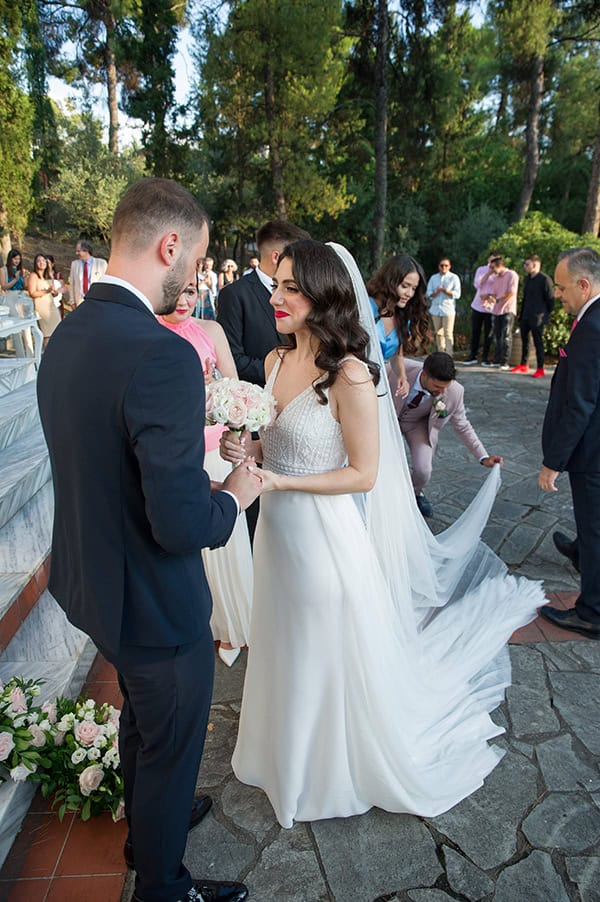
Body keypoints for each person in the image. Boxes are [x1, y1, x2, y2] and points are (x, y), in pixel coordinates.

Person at [221, 238, 543, 830]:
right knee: (283, 635)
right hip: (276, 538)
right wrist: (246, 446)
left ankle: (324, 770)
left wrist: (279, 484)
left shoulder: (348, 373)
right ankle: (279, 754)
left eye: (293, 287)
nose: (277, 296)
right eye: (278, 284)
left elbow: (362, 472)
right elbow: (279, 443)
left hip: (322, 538)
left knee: (320, 643)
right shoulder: (273, 362)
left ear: (324, 297)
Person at [37, 177, 261, 902]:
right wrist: (235, 495)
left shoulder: (69, 331)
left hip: (93, 583)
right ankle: (163, 886)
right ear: (169, 245)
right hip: (154, 602)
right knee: (169, 740)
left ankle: (148, 827)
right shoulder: (158, 353)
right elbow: (179, 522)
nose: (192, 280)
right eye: (192, 263)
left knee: (143, 719)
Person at [157, 283, 253, 667]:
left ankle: (230, 622)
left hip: (214, 449)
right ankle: (191, 622)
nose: (184, 301)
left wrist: (238, 434)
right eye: (177, 292)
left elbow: (237, 391)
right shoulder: (147, 329)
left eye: (192, 292)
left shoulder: (211, 331)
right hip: (174, 451)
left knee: (223, 540)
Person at [538, 246, 600, 640]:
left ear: (583, 284)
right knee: (591, 530)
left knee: (595, 527)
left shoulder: (592, 328)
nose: (558, 295)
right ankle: (580, 551)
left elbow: (580, 403)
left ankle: (592, 612)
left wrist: (553, 461)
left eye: (561, 288)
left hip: (592, 453)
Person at [390, 352, 503, 518]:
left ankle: (414, 493)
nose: (442, 391)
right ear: (425, 374)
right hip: (387, 420)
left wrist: (483, 457)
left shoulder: (455, 392)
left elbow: (462, 425)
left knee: (424, 470)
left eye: (445, 387)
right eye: (437, 386)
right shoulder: (396, 368)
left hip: (418, 426)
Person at [217, 219, 310, 386]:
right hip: (258, 395)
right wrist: (286, 372)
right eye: (296, 257)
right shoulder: (235, 294)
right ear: (276, 257)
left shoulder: (303, 294)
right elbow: (232, 358)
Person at [366, 254, 430, 397]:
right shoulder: (366, 307)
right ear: (389, 281)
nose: (409, 294)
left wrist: (402, 376)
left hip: (376, 383)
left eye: (414, 288)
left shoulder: (402, 316)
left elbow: (397, 354)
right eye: (405, 286)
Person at [511, 255, 554, 378]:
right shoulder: (527, 279)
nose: (525, 267)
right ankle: (523, 364)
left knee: (538, 341)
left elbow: (550, 299)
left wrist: (546, 314)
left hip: (538, 316)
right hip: (526, 314)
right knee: (524, 340)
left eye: (527, 264)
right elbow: (524, 297)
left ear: (535, 265)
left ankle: (540, 368)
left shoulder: (545, 279)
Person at [462, 254, 498, 365]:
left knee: (488, 334)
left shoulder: (500, 274)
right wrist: (489, 273)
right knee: (475, 331)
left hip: (491, 307)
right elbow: (478, 284)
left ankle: (485, 357)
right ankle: (473, 355)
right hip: (478, 305)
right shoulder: (481, 270)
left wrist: (490, 296)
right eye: (491, 260)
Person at [487, 256, 518, 369]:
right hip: (496, 310)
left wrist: (499, 300)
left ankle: (505, 361)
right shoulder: (495, 278)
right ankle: (496, 360)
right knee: (496, 336)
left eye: (493, 267)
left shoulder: (511, 275)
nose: (491, 270)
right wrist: (491, 299)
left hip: (507, 309)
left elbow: (511, 293)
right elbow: (494, 293)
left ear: (500, 265)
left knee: (506, 336)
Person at [426, 257, 461, 355]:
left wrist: (446, 291)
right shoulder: (434, 278)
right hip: (436, 309)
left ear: (449, 266)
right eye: (442, 265)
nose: (444, 267)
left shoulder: (454, 277)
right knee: (438, 333)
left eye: (446, 265)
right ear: (439, 267)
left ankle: (449, 354)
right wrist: (436, 292)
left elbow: (457, 294)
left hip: (448, 309)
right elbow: (428, 293)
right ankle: (441, 354)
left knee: (448, 333)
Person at [26, 253, 61, 346]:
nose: (41, 263)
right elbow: (32, 293)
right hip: (42, 307)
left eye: (43, 261)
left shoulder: (48, 275)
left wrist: (54, 293)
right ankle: (48, 356)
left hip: (51, 306)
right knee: (47, 334)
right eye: (39, 261)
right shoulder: (34, 275)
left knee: (57, 331)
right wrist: (46, 291)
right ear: (35, 263)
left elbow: (52, 293)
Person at [68, 240, 108, 306]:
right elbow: (72, 284)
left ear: (86, 251)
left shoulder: (101, 263)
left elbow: (106, 284)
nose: (76, 253)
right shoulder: (74, 264)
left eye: (78, 251)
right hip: (80, 301)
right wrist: (72, 302)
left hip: (97, 301)